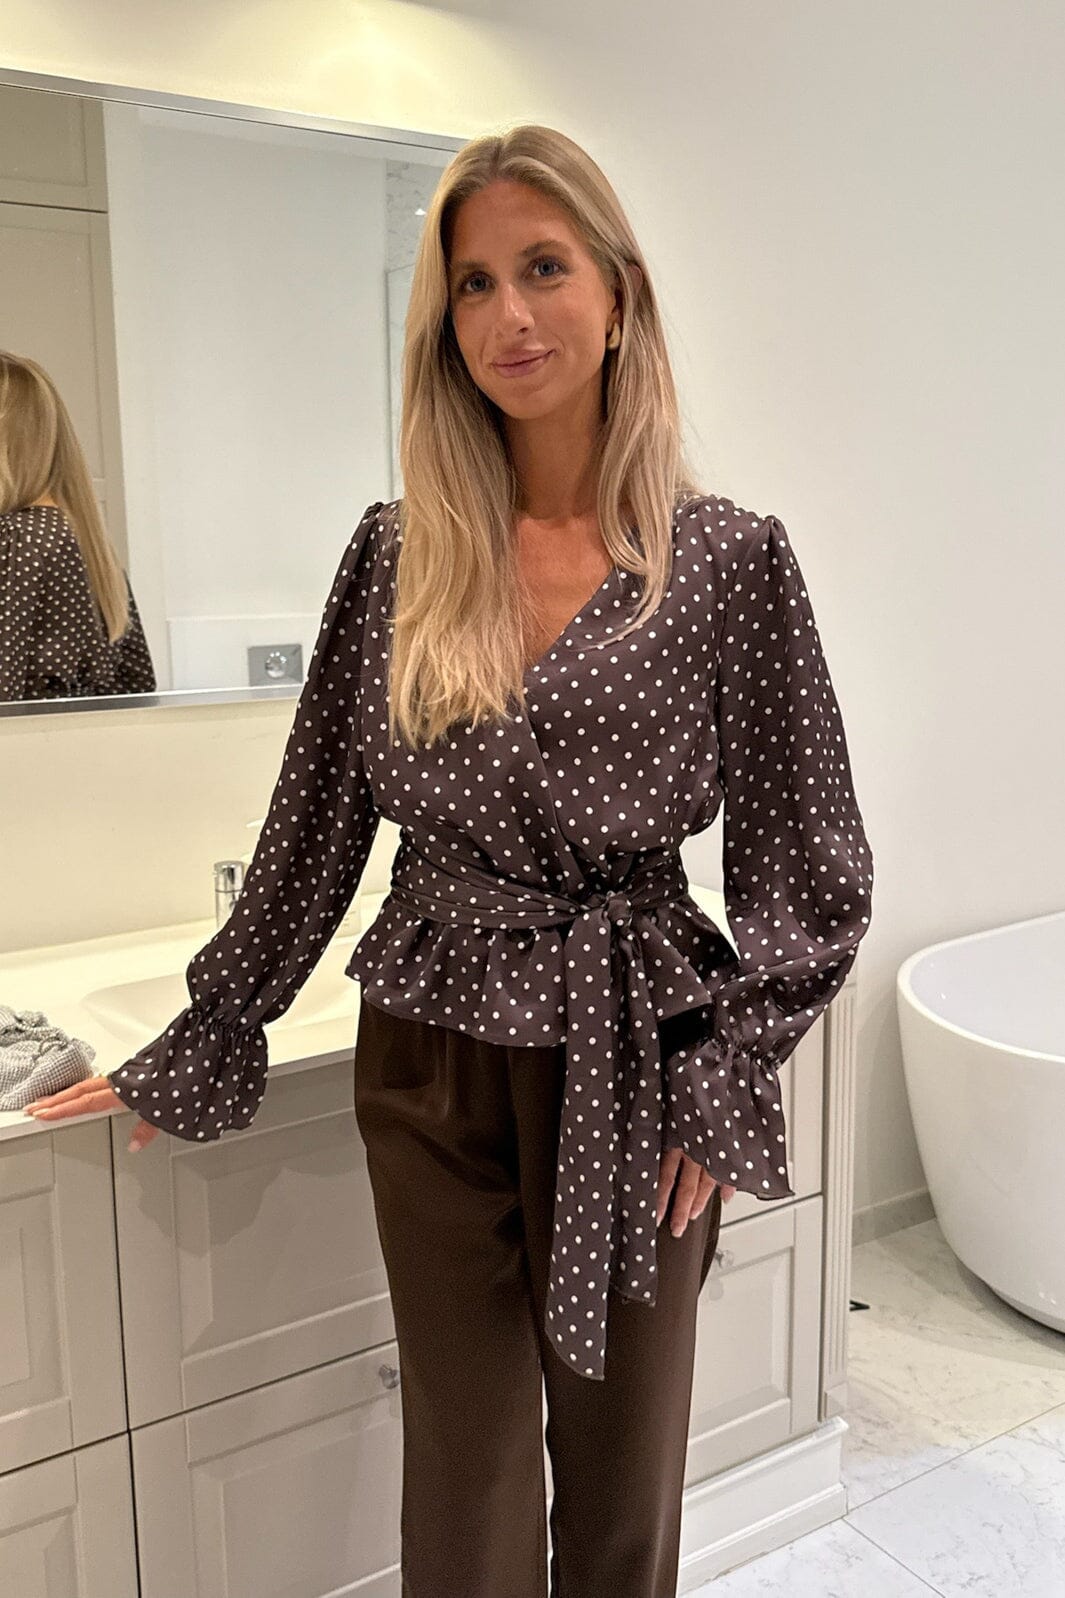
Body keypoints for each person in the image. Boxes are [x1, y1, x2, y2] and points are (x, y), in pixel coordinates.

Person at [24, 124, 874, 1596]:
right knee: (464, 1475)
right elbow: (316, 818)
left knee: (622, 1482)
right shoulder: (398, 551)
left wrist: (728, 1074)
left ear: (619, 292)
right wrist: (213, 1024)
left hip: (637, 1046)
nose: (508, 316)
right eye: (472, 284)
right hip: (431, 1051)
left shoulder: (728, 561)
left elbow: (809, 853)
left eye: (543, 268)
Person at [0, 350, 155, 701]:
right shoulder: (85, 538)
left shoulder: (19, 539)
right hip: (78, 736)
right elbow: (137, 685)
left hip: (29, 737)